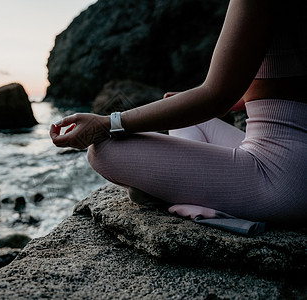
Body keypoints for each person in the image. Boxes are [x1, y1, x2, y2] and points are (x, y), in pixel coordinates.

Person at [49, 0, 307, 234]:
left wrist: (108, 123)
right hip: (294, 162)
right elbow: (278, 87)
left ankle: (185, 191)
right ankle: (193, 184)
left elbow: (215, 97)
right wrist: (208, 101)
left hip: (282, 180)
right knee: (186, 113)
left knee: (102, 150)